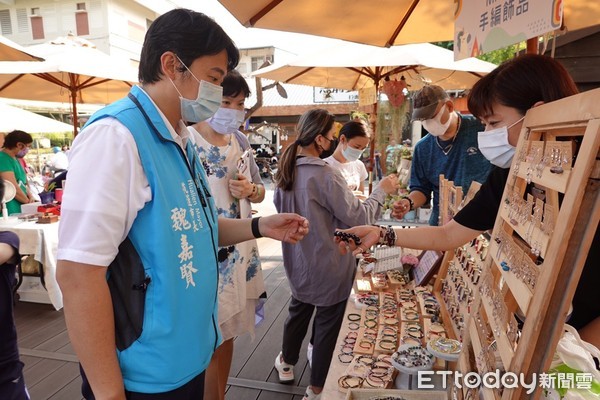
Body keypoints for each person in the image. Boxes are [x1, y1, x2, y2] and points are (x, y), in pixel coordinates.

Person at [56, 9, 308, 400]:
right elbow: (77, 274)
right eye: (213, 78)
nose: (216, 95)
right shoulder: (116, 136)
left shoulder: (180, 138)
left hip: (188, 356)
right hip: (143, 373)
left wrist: (260, 226)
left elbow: (198, 227)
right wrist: (109, 394)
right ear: (172, 65)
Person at [336, 54, 599, 344]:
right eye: (484, 123)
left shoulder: (590, 178)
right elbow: (450, 233)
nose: (487, 134)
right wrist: (381, 233)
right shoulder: (512, 174)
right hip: (539, 333)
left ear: (538, 113)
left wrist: (580, 354)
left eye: (494, 122)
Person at [273, 109, 399, 400]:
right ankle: (316, 387)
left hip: (297, 260)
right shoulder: (324, 174)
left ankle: (287, 362)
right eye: (331, 137)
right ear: (319, 139)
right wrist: (380, 191)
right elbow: (357, 218)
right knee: (328, 326)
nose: (332, 143)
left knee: (298, 311)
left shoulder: (286, 170)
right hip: (329, 261)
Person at [188, 69, 266, 400]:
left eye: (239, 103)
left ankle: (220, 393)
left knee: (230, 328)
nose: (233, 109)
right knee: (208, 334)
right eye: (226, 101)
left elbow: (261, 192)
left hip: (240, 249)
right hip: (206, 248)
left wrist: (250, 189)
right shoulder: (188, 140)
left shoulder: (241, 141)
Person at [394, 85, 492, 225]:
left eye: (432, 116)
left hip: (481, 223)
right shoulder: (423, 148)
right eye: (423, 119)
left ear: (450, 106)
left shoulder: (482, 129)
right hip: (442, 223)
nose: (428, 123)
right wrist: (408, 202)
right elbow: (421, 189)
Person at [324, 120, 369, 194]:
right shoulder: (325, 166)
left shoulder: (359, 165)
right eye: (357, 146)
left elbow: (361, 195)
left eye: (363, 148)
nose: (359, 151)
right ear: (342, 139)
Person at [0, 130, 35, 214]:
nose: (27, 150)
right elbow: (12, 186)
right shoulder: (3, 159)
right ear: (19, 145)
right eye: (27, 146)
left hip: (21, 207)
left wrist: (30, 195)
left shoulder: (15, 159)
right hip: (10, 209)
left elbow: (21, 182)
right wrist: (28, 203)